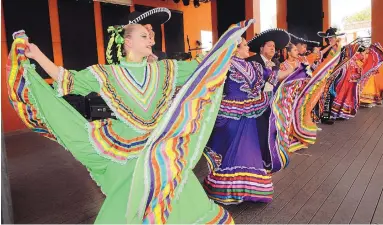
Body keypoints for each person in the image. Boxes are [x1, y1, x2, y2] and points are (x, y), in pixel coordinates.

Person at [7, 7, 255, 222]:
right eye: (145, 36)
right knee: (132, 191)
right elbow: (66, 79)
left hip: (160, 144)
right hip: (126, 146)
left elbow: (204, 66)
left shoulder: (166, 69)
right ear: (128, 41)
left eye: (151, 37)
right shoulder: (106, 73)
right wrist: (37, 54)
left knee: (178, 186)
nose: (151, 40)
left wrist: (228, 43)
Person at [203, 32, 293, 205]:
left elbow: (270, 78)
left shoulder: (253, 66)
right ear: (235, 49)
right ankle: (233, 189)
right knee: (232, 151)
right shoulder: (225, 65)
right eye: (244, 45)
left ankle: (246, 190)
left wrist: (292, 72)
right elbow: (210, 84)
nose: (247, 48)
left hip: (249, 110)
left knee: (248, 150)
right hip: (231, 112)